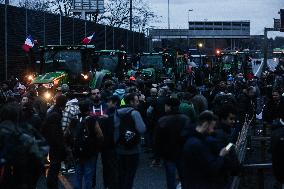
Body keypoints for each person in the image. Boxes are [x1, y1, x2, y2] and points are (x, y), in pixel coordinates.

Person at [182, 111, 231, 189]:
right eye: (212, 127)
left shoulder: (190, 139)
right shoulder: (198, 144)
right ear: (205, 124)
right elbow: (211, 167)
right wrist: (221, 155)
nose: (212, 130)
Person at [154, 97, 190, 189]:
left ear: (169, 107)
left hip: (168, 153)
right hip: (182, 152)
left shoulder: (163, 120)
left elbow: (158, 140)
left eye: (165, 106)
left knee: (170, 177)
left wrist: (157, 156)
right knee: (184, 176)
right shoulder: (185, 119)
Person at [66, 100, 103, 189]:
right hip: (90, 151)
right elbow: (100, 135)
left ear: (79, 108)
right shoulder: (92, 120)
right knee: (88, 174)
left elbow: (67, 133)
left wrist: (70, 146)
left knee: (78, 173)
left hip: (77, 151)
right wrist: (97, 147)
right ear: (88, 108)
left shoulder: (74, 120)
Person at [114, 93, 146, 189]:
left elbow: (115, 130)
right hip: (133, 149)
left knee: (121, 174)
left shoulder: (117, 112)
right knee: (130, 174)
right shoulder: (135, 113)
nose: (138, 103)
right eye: (136, 101)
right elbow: (142, 129)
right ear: (131, 102)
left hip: (120, 149)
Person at [41, 95, 68, 189]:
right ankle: (52, 186)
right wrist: (61, 147)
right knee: (54, 168)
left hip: (52, 145)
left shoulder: (53, 112)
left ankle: (53, 185)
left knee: (54, 168)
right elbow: (55, 134)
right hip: (55, 147)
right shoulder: (55, 115)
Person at [100, 95, 121, 189]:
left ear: (114, 103)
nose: (107, 104)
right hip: (115, 145)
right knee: (114, 167)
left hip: (108, 145)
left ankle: (108, 185)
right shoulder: (119, 113)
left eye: (109, 102)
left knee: (108, 167)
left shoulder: (111, 115)